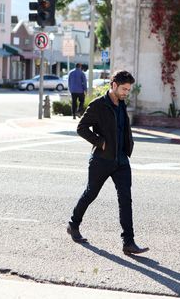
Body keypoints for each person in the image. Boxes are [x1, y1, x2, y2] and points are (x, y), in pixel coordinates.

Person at [67, 70, 149, 255]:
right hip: (102, 160)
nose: (126, 93)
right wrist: (100, 142)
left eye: (128, 90)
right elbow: (81, 128)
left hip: (121, 160)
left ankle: (128, 242)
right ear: (113, 85)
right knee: (91, 193)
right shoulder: (98, 105)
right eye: (123, 89)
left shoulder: (121, 104)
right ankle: (73, 224)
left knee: (125, 199)